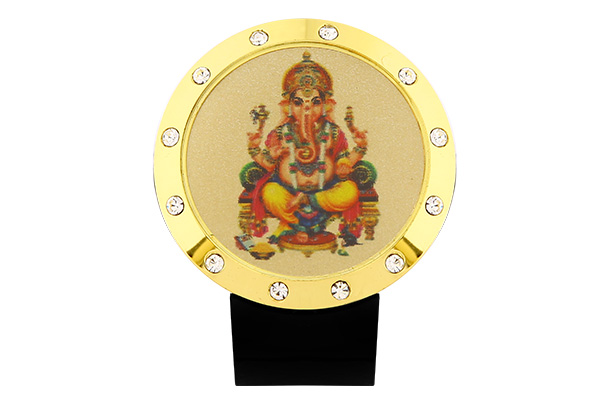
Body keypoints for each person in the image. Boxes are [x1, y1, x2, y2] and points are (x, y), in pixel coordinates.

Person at [247, 52, 368, 245]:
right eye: (298, 103)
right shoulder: (280, 133)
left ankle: (307, 201)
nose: (307, 109)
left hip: (324, 192)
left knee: (350, 191)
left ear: (326, 106)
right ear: (287, 107)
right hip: (289, 193)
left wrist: (358, 150)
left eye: (315, 103)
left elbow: (343, 159)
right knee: (270, 193)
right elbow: (269, 165)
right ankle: (293, 224)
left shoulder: (333, 132)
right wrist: (258, 150)